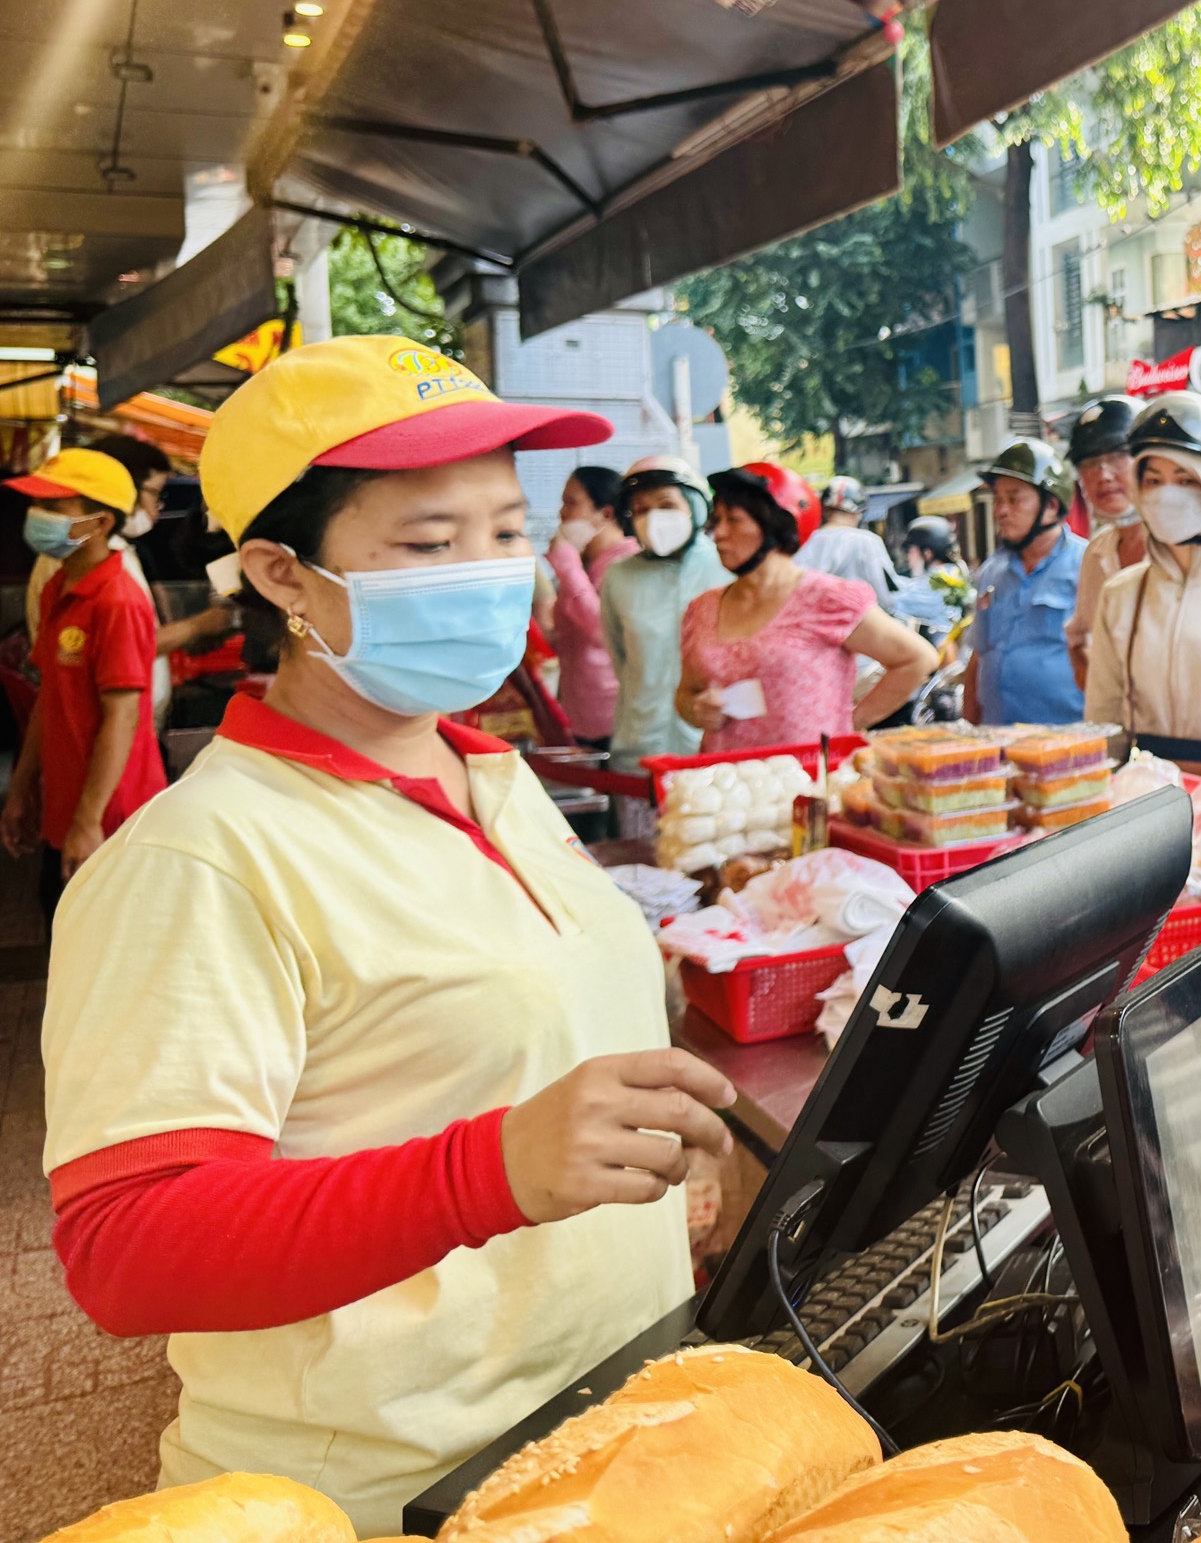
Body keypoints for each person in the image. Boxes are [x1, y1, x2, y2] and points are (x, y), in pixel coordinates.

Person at [40, 334, 740, 1531]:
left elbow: (533, 1040)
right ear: (282, 574)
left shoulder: (498, 781)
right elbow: (126, 1246)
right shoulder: (200, 860)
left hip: (605, 1443)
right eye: (430, 544)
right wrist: (490, 1169)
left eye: (507, 530)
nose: (490, 572)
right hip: (384, 1490)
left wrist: (656, 1164)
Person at [1, 448, 171, 901]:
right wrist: (21, 787)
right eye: (38, 505)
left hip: (111, 813)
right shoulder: (59, 586)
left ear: (100, 524)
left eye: (56, 507)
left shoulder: (118, 600)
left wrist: (88, 819)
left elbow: (123, 717)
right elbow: (48, 697)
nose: (38, 516)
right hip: (69, 800)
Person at [679, 462, 935, 750]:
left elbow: (917, 659)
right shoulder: (702, 608)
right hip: (727, 785)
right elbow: (686, 694)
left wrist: (850, 724)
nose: (720, 533)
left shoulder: (827, 598)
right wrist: (696, 709)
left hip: (809, 783)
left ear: (775, 525)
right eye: (717, 521)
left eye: (734, 520)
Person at [1084, 394, 1201, 760]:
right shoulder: (1121, 593)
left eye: (1186, 479)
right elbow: (1104, 717)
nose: (1167, 494)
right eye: (1154, 480)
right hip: (1147, 793)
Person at [26, 435, 231, 724]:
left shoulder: (115, 556)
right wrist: (200, 625)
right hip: (102, 726)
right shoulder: (73, 565)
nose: (158, 506)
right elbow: (122, 649)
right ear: (125, 489)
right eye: (155, 493)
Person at [596, 455, 726, 772]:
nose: (654, 518)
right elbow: (620, 659)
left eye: (666, 505)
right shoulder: (618, 577)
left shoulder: (728, 567)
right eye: (641, 510)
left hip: (717, 749)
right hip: (639, 750)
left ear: (694, 507)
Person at [963, 439, 1087, 725]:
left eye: (1014, 499)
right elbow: (978, 658)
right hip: (997, 741)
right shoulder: (992, 571)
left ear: (1052, 505)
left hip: (1066, 745)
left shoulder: (1088, 565)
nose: (1000, 511)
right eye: (998, 499)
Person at [543, 464, 635, 750]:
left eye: (571, 503)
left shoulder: (627, 564)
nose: (562, 514)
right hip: (582, 715)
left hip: (613, 716)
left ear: (606, 514)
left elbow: (601, 630)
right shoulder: (588, 567)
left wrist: (567, 564)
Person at [1062, 396, 1145, 686]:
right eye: (1090, 462)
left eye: (1116, 457)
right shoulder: (1096, 552)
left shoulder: (1183, 545)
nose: (1103, 474)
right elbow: (1078, 636)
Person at [797, 475, 900, 604]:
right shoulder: (866, 541)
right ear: (858, 512)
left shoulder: (804, 542)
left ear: (824, 510)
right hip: (858, 621)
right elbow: (887, 598)